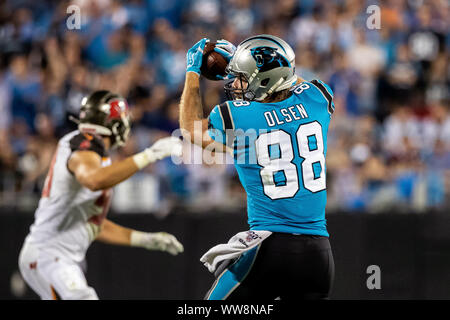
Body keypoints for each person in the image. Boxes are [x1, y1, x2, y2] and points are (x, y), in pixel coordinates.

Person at [179, 35, 335, 300]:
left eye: (242, 78)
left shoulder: (239, 116)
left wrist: (193, 72)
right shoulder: (318, 98)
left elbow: (190, 129)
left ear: (265, 81)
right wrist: (246, 60)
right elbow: (291, 77)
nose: (235, 84)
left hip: (272, 248)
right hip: (319, 258)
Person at [18, 90, 184, 300]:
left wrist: (147, 240)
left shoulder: (97, 156)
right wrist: (149, 155)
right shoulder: (82, 146)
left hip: (60, 257)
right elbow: (94, 180)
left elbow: (94, 225)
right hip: (49, 255)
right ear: (115, 124)